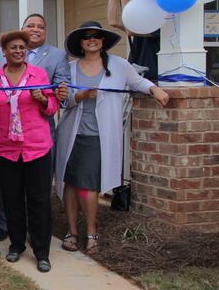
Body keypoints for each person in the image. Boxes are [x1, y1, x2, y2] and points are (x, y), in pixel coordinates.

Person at [55, 21, 169, 254]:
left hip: (98, 136)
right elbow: (63, 101)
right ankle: (72, 232)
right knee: (70, 183)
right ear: (81, 42)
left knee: (88, 186)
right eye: (86, 36)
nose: (91, 39)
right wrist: (80, 96)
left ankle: (91, 232)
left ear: (103, 40)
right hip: (72, 134)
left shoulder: (118, 65)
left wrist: (154, 89)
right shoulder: (71, 67)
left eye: (96, 36)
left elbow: (137, 81)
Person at [0, 30, 58, 273]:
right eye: (13, 47)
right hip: (6, 149)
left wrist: (44, 100)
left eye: (22, 48)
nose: (18, 51)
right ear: (4, 52)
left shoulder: (39, 75)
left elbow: (53, 106)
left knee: (39, 200)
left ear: (26, 51)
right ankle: (16, 244)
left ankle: (42, 251)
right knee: (11, 199)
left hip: (37, 148)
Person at [0, 13, 70, 242]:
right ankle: (8, 229)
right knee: (10, 193)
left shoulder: (54, 58)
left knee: (38, 194)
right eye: (30, 25)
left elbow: (60, 95)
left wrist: (49, 98)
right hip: (6, 140)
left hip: (37, 138)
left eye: (41, 27)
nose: (36, 29)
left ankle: (39, 239)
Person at [107, 0, 160, 81]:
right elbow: (113, 21)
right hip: (136, 75)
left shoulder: (160, 22)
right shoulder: (141, 21)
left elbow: (130, 30)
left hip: (151, 78)